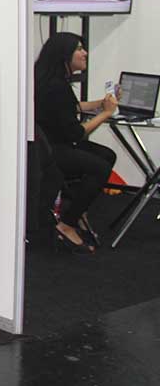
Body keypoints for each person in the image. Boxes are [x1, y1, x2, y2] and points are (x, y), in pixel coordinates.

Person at [34, 32, 118, 253]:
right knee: (100, 168)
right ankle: (67, 223)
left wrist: (99, 104)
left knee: (107, 155)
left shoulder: (49, 80)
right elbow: (76, 133)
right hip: (52, 152)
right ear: (65, 55)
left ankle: (79, 208)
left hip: (49, 145)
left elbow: (70, 107)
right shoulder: (56, 87)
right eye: (79, 49)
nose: (85, 53)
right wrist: (105, 114)